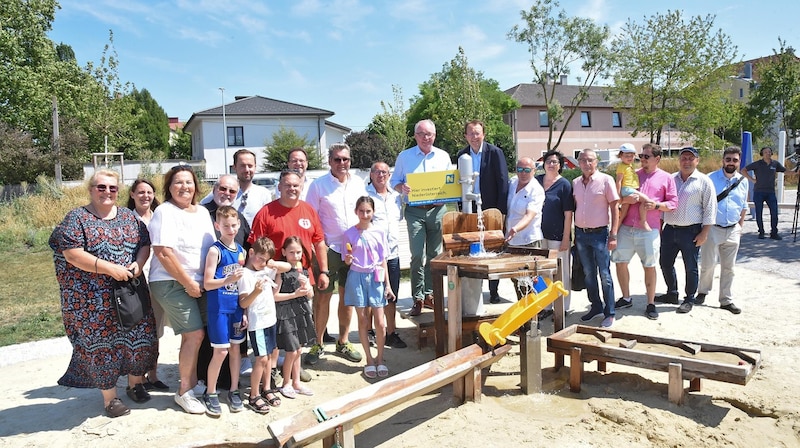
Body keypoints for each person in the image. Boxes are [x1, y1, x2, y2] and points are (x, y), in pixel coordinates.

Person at [50, 169, 157, 418]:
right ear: (91, 189)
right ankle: (111, 399)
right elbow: (71, 252)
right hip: (92, 299)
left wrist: (138, 264)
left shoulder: (129, 218)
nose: (107, 192)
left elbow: (144, 243)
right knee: (102, 347)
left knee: (140, 339)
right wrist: (109, 269)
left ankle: (135, 383)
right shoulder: (77, 218)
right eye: (101, 187)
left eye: (112, 188)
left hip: (129, 292)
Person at [148, 164, 217, 415]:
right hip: (170, 281)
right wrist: (188, 282)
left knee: (196, 335)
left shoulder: (202, 213)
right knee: (195, 334)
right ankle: (184, 392)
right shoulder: (165, 212)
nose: (184, 187)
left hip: (200, 283)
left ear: (196, 187)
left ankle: (193, 382)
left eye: (188, 182)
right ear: (169, 187)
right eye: (178, 182)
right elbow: (163, 252)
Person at [248, 170, 330, 364]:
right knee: (275, 326)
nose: (292, 189)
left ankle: (293, 368)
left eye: (296, 185)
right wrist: (269, 268)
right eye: (287, 185)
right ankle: (273, 368)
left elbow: (319, 242)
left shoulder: (308, 210)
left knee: (297, 323)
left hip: (301, 278)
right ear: (279, 187)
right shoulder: (266, 213)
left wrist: (324, 272)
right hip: (275, 280)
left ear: (301, 187)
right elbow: (255, 248)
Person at [304, 143, 365, 365]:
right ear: (329, 161)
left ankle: (343, 341)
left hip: (354, 250)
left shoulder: (358, 183)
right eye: (337, 159)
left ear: (350, 161)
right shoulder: (318, 186)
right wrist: (316, 250)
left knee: (348, 299)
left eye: (345, 159)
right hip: (327, 249)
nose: (342, 163)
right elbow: (310, 220)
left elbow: (365, 213)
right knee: (322, 299)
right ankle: (317, 343)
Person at [390, 119, 452, 316]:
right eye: (422, 134)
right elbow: (394, 182)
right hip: (415, 210)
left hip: (437, 210)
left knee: (434, 255)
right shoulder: (405, 156)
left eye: (430, 134)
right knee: (417, 254)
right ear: (415, 136)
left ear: (435, 136)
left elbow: (450, 182)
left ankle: (430, 294)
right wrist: (402, 188)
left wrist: (446, 194)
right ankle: (417, 297)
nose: (426, 138)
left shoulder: (443, 156)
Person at [611, 144, 678, 320]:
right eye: (641, 155)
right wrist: (624, 200)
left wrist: (656, 205)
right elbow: (618, 195)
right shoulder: (632, 173)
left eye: (646, 156)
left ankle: (650, 303)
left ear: (657, 159)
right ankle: (626, 297)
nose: (642, 159)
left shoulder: (666, 178)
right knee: (620, 262)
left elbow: (673, 203)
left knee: (649, 266)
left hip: (649, 229)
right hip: (626, 227)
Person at [200, 174, 252, 386]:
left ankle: (231, 385)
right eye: (222, 188)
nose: (227, 194)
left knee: (234, 348)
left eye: (232, 191)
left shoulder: (240, 220)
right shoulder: (202, 213)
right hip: (214, 296)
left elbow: (247, 256)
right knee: (213, 344)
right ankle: (206, 383)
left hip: (235, 301)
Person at [655, 147, 716, 313]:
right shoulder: (670, 179)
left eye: (691, 158)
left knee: (691, 266)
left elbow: (710, 209)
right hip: (669, 229)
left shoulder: (704, 181)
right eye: (684, 158)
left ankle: (689, 299)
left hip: (691, 231)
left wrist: (705, 232)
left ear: (697, 160)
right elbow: (662, 204)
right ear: (679, 160)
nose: (687, 161)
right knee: (665, 263)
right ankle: (672, 293)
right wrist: (659, 226)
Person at [457, 120, 510, 303]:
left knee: (493, 246)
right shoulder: (461, 155)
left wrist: (501, 211)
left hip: (491, 207)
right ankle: (475, 289)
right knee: (473, 246)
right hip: (469, 207)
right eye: (470, 133)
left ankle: (494, 290)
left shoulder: (495, 153)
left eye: (477, 133)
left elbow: (503, 182)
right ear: (465, 136)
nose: (474, 136)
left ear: (483, 134)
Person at [201, 206, 247, 416]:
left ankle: (234, 389)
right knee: (220, 351)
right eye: (225, 225)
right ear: (217, 226)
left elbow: (242, 286)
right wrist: (228, 279)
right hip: (219, 308)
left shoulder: (240, 250)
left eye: (234, 225)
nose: (230, 229)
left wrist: (245, 310)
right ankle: (210, 392)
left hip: (236, 308)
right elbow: (208, 283)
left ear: (238, 225)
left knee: (237, 350)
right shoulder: (215, 250)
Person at [237, 236, 292, 413]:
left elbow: (288, 266)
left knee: (269, 356)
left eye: (265, 259)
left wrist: (272, 263)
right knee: (261, 359)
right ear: (251, 253)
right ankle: (253, 395)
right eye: (259, 258)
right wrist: (256, 291)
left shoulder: (267, 268)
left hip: (270, 319)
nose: (262, 262)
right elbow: (243, 303)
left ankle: (266, 387)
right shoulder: (246, 274)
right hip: (257, 323)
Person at [343, 196, 395, 379]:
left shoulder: (380, 232)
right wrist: (348, 259)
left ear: (373, 212)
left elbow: (383, 261)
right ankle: (369, 360)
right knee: (363, 320)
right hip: (356, 276)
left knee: (380, 322)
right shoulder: (349, 233)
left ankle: (380, 358)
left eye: (368, 211)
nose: (365, 215)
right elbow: (346, 257)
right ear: (356, 211)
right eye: (361, 211)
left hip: (375, 277)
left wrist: (388, 285)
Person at [127, 179, 169, 391]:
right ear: (132, 194)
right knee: (137, 331)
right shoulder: (125, 219)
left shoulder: (160, 216)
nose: (145, 196)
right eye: (140, 192)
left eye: (149, 192)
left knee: (155, 331)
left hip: (158, 280)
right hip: (134, 283)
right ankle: (136, 378)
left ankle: (153, 374)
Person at [696, 146, 747, 315]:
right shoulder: (710, 178)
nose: (731, 163)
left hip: (732, 229)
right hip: (713, 229)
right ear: (723, 160)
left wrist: (740, 226)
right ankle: (702, 291)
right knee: (708, 264)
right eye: (728, 159)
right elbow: (702, 204)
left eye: (735, 160)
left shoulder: (743, 181)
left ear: (739, 162)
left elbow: (743, 206)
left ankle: (726, 300)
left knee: (729, 268)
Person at [573, 149, 620, 328]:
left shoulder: (606, 180)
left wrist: (613, 235)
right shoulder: (576, 183)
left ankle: (610, 312)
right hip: (581, 234)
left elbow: (615, 208)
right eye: (583, 160)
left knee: (605, 274)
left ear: (597, 162)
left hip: (600, 234)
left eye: (590, 160)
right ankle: (596, 307)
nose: (586, 163)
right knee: (588, 274)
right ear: (579, 163)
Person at [367, 161, 407, 348]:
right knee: (371, 296)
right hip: (371, 256)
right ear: (371, 174)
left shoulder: (396, 197)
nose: (381, 175)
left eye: (384, 172)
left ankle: (391, 332)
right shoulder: (364, 195)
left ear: (389, 175)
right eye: (377, 172)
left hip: (392, 253)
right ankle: (369, 332)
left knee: (392, 295)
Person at [274, 236, 316, 398]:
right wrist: (294, 294)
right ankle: (286, 383)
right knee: (291, 350)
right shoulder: (281, 273)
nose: (296, 256)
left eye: (298, 252)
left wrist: (306, 286)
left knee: (299, 349)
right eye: (291, 252)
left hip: (301, 311)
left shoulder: (303, 271)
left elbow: (311, 295)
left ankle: (297, 382)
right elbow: (274, 296)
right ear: (284, 252)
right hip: (286, 313)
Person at [535, 151, 575, 314]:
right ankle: (545, 306)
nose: (551, 164)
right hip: (538, 235)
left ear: (560, 165)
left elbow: (568, 214)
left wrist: (566, 238)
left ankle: (562, 307)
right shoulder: (536, 181)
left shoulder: (564, 184)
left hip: (558, 236)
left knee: (561, 273)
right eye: (548, 161)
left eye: (555, 162)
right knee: (542, 271)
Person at [506, 157, 545, 299]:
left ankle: (535, 315)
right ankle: (523, 314)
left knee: (531, 279)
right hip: (511, 240)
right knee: (516, 279)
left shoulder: (536, 190)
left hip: (529, 240)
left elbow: (529, 216)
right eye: (520, 169)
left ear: (534, 171)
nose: (523, 173)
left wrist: (515, 228)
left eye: (527, 170)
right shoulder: (512, 182)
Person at [202, 149, 273, 227]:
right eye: (242, 166)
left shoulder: (264, 194)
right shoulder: (223, 193)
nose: (247, 170)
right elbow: (202, 208)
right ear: (234, 167)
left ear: (255, 167)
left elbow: (269, 221)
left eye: (250, 166)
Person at [742, 146, 786, 240]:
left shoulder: (775, 163)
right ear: (762, 154)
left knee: (774, 213)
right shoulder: (757, 164)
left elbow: (785, 171)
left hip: (771, 192)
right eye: (766, 152)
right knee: (759, 213)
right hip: (759, 192)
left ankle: (774, 233)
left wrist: (795, 172)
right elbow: (743, 170)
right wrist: (752, 180)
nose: (768, 154)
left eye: (769, 152)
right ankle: (761, 232)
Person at [616, 143, 655, 232]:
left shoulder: (629, 166)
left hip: (630, 189)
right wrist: (618, 196)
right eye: (627, 156)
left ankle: (615, 230)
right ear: (621, 156)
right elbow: (618, 181)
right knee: (646, 200)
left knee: (623, 213)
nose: (629, 158)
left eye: (632, 156)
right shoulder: (622, 167)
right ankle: (643, 220)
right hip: (628, 189)